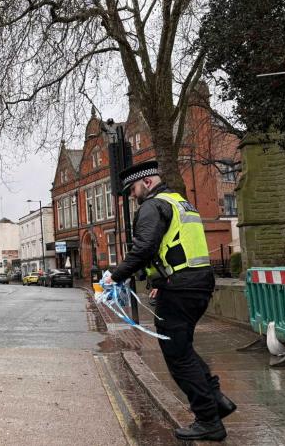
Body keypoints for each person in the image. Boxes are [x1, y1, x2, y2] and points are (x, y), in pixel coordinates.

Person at [105, 161, 236, 442]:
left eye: (133, 189)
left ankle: (208, 420)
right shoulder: (180, 202)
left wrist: (114, 277)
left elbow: (144, 248)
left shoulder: (152, 206)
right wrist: (158, 282)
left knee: (177, 355)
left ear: (147, 183)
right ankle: (216, 401)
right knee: (183, 348)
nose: (132, 195)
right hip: (197, 283)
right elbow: (175, 247)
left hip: (180, 288)